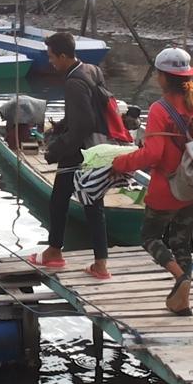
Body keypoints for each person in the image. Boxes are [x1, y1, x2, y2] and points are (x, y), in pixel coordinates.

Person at [112, 47, 193, 316]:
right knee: (182, 242)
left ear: (162, 77)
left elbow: (153, 154)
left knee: (149, 236)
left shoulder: (160, 108)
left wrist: (120, 163)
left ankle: (179, 278)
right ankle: (183, 301)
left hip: (167, 189)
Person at [30, 32, 111, 279]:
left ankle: (64, 254)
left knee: (72, 202)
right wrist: (62, 124)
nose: (51, 62)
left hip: (80, 152)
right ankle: (92, 261)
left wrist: (55, 150)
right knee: (78, 200)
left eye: (52, 57)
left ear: (64, 56)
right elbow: (93, 111)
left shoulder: (73, 82)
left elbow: (84, 124)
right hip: (97, 147)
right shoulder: (92, 70)